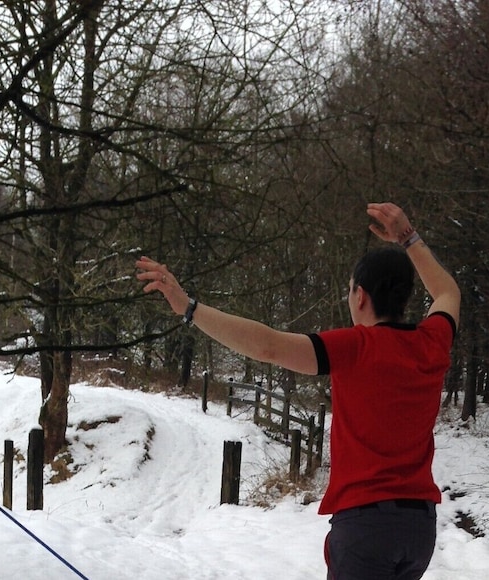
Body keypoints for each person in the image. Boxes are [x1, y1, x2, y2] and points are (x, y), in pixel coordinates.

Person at [136, 202, 460, 580]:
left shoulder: (354, 347)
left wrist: (188, 308)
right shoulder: (431, 342)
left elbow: (267, 345)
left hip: (366, 527)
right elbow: (447, 292)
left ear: (360, 297)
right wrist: (409, 238)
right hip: (418, 528)